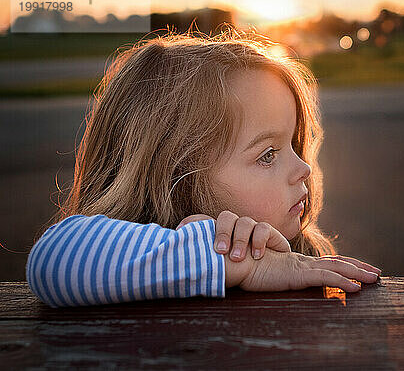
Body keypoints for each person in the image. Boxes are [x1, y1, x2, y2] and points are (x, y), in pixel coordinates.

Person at [26, 27, 382, 308]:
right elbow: (51, 259)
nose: (304, 167)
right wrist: (230, 261)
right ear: (176, 179)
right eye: (268, 155)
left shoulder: (301, 256)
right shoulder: (130, 257)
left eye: (293, 143)